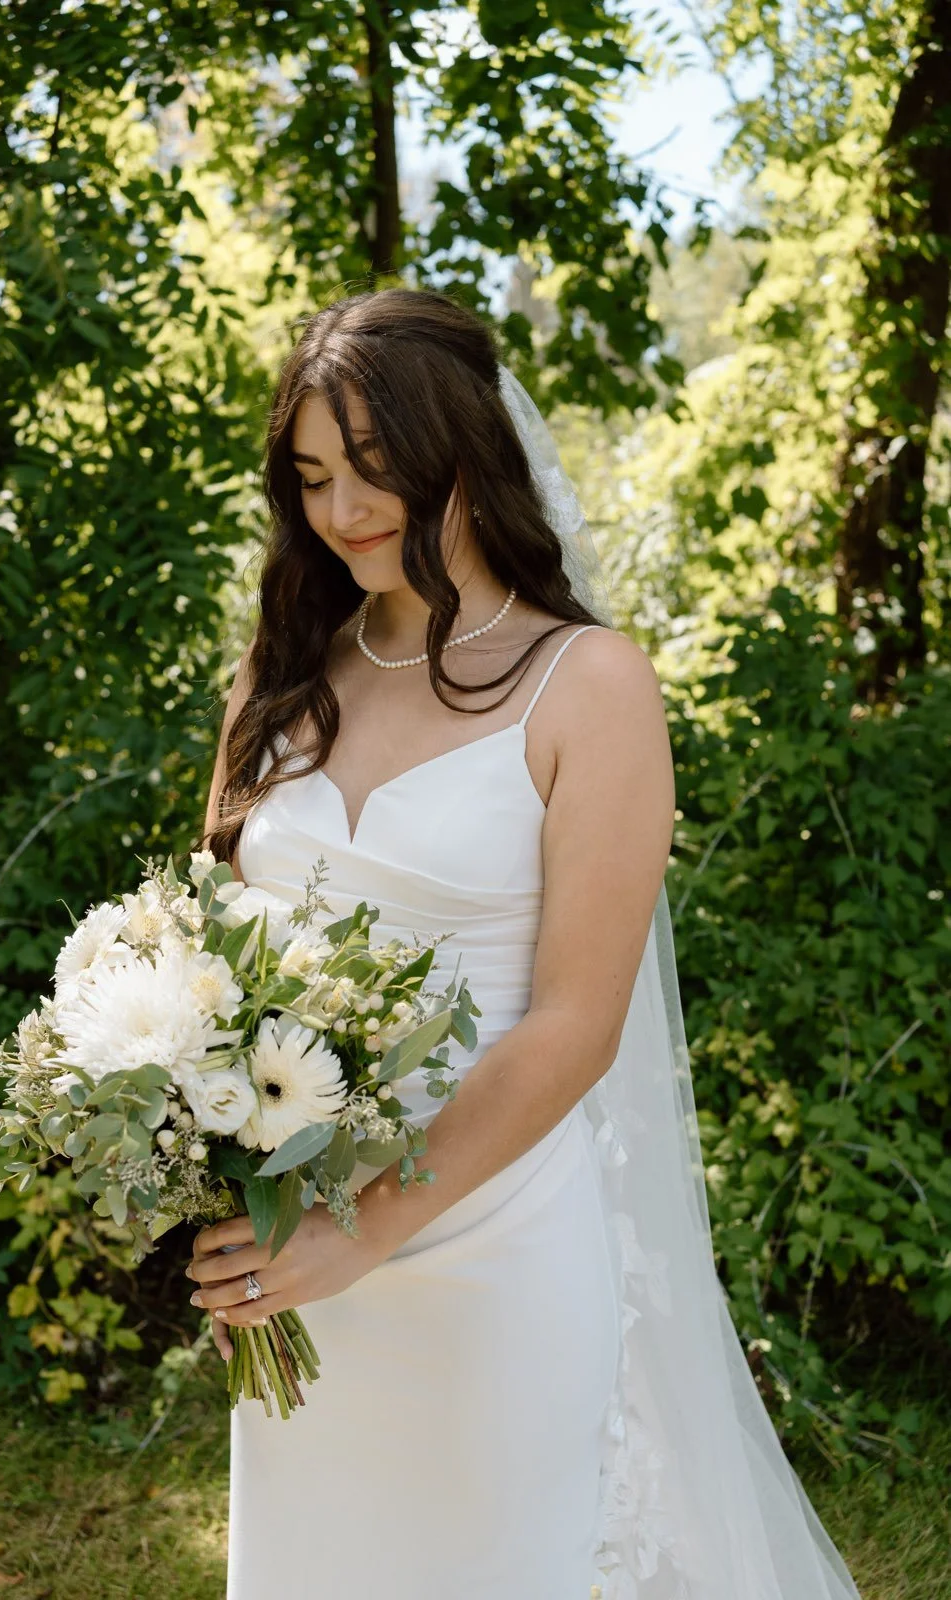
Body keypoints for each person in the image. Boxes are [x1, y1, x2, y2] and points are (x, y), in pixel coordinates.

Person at [190, 287, 861, 1600]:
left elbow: (572, 1022)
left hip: (492, 1238)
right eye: (314, 476)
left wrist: (364, 1229)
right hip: (299, 1237)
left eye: (374, 467)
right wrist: (221, 1188)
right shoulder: (286, 671)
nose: (342, 511)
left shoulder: (587, 683)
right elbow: (214, 964)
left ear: (462, 449)